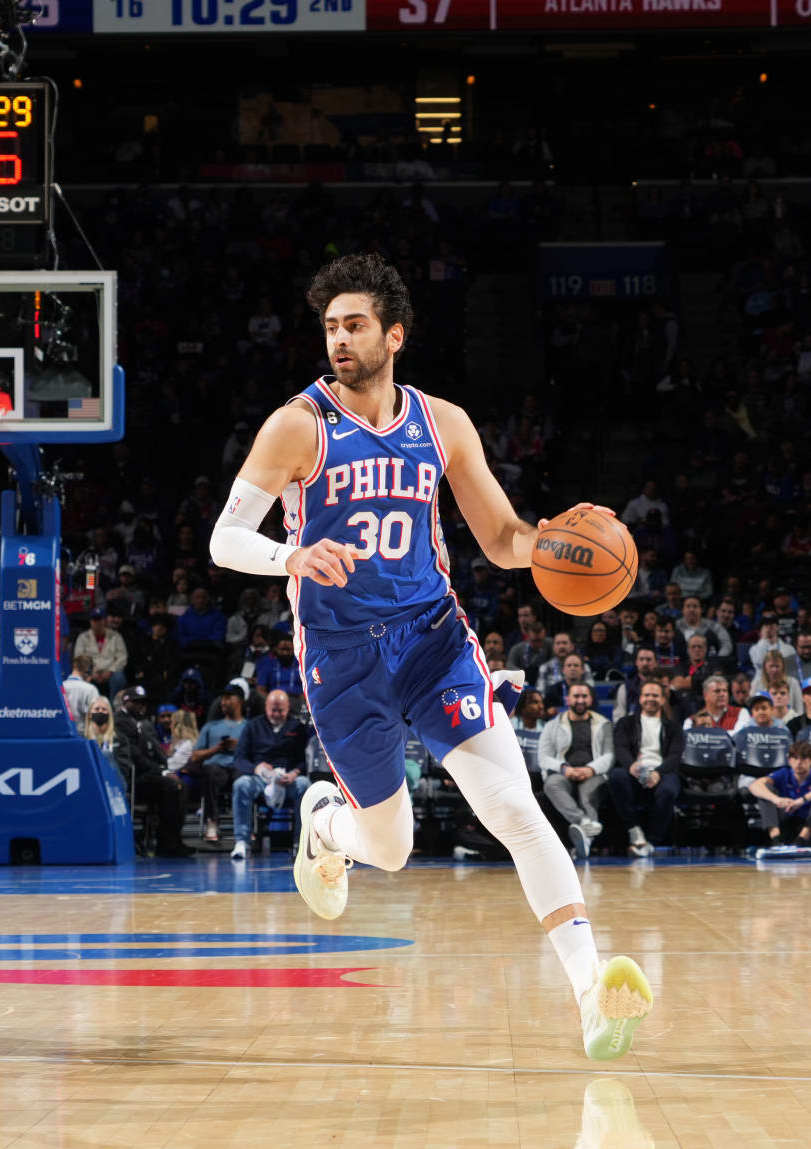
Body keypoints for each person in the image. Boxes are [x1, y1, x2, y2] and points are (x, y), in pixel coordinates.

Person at [210, 252, 651, 1059]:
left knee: (514, 807)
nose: (339, 340)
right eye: (331, 327)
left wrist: (552, 540)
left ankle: (591, 992)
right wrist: (291, 557)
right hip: (342, 656)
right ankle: (325, 828)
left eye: (354, 326)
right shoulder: (297, 425)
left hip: (432, 638)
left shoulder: (441, 423)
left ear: (394, 334)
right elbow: (226, 537)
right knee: (393, 848)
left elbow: (503, 539)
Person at [229, 687, 310, 861]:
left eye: (280, 710)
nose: (276, 714)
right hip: (261, 778)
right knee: (241, 784)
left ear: (288, 708)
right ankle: (242, 842)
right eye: (273, 709)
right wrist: (256, 768)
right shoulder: (253, 726)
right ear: (266, 707)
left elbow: (305, 760)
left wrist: (295, 773)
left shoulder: (297, 727)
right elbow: (239, 758)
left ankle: (301, 843)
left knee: (305, 785)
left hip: (287, 779)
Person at [111, 687, 191, 857]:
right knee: (169, 786)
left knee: (181, 787)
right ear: (127, 702)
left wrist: (165, 768)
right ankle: (165, 843)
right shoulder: (120, 721)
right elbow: (135, 755)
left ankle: (174, 839)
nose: (141, 705)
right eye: (137, 702)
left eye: (143, 702)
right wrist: (162, 772)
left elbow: (154, 751)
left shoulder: (143, 722)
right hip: (133, 778)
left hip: (148, 773)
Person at [606, 680, 680, 857]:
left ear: (663, 699)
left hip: (662, 771)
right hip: (634, 770)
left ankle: (651, 841)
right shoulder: (626, 723)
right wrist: (631, 765)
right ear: (640, 699)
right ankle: (634, 830)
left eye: (655, 695)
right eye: (647, 695)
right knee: (616, 776)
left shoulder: (673, 726)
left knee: (670, 790)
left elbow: (675, 756)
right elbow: (620, 748)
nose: (650, 699)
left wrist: (658, 773)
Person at [540, 682, 613, 859]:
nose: (580, 700)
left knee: (588, 793)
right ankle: (584, 822)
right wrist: (564, 768)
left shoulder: (603, 724)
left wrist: (590, 769)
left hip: (592, 773)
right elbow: (543, 757)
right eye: (576, 696)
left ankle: (585, 839)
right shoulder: (553, 725)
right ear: (568, 699)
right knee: (551, 784)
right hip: (564, 772)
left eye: (584, 696)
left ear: (590, 699)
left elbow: (609, 755)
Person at [746, 741, 811, 851]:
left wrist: (803, 800)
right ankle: (775, 839)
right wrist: (776, 799)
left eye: (804, 758)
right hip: (786, 826)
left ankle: (802, 840)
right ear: (789, 760)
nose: (798, 763)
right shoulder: (784, 773)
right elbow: (754, 786)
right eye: (795, 758)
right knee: (764, 791)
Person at [187, 685, 245, 843]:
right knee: (208, 771)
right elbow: (195, 756)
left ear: (240, 701)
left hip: (239, 768)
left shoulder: (249, 726)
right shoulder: (211, 726)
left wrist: (238, 746)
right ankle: (211, 822)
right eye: (222, 698)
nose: (223, 702)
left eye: (228, 698)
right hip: (217, 770)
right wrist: (216, 749)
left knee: (245, 778)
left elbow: (258, 753)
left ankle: (246, 826)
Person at [63, 654, 100, 732]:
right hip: (84, 736)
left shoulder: (60, 686)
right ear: (88, 671)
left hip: (63, 734)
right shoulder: (90, 689)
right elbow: (96, 716)